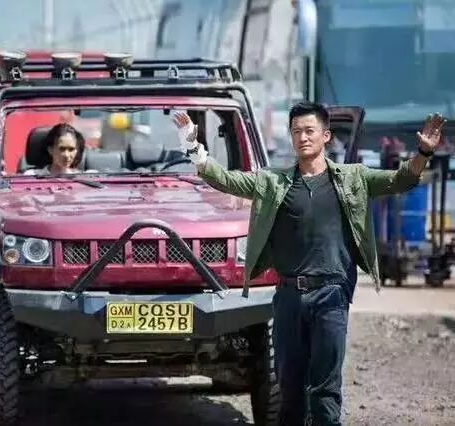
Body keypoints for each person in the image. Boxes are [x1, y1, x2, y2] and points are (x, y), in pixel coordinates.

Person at [173, 103, 445, 425]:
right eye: (296, 132)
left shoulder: (353, 179)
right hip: (288, 298)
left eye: (309, 131)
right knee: (290, 390)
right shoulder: (274, 182)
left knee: (325, 390)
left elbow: (401, 180)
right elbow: (226, 180)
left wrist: (423, 153)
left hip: (331, 296)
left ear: (326, 136)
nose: (302, 138)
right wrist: (193, 147)